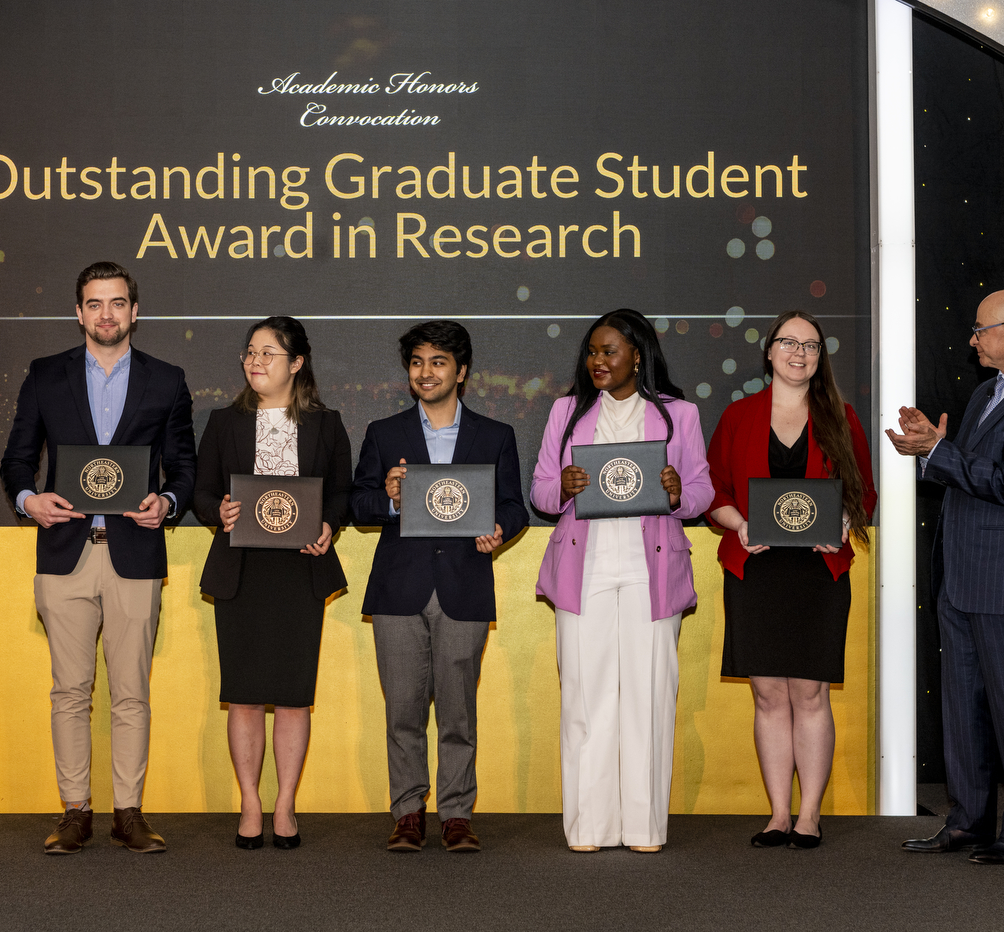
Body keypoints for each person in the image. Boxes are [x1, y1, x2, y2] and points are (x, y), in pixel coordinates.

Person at [0, 261, 196, 855]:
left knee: (132, 691)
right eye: (94, 303)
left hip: (136, 553)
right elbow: (15, 460)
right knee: (70, 690)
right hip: (65, 554)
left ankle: (129, 813)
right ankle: (75, 811)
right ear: (78, 312)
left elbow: (184, 468)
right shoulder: (44, 375)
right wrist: (29, 500)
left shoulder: (167, 380)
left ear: (135, 311)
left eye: (116, 303)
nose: (106, 314)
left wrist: (166, 501)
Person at [887, 287, 1004, 865]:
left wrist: (938, 449)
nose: (973, 340)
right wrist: (931, 447)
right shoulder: (985, 394)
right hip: (964, 574)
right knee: (961, 703)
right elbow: (971, 473)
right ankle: (968, 820)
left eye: (980, 330)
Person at [529, 309, 712, 853]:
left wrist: (679, 492)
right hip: (582, 573)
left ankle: (643, 828)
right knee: (584, 701)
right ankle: (589, 827)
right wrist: (562, 486)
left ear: (638, 354)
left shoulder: (680, 415)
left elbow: (702, 492)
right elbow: (539, 493)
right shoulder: (566, 412)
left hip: (649, 573)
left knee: (649, 699)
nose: (598, 361)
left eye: (609, 351)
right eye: (591, 352)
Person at [350, 321, 528, 854]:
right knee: (402, 708)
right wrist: (386, 497)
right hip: (399, 588)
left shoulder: (495, 436)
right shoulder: (385, 433)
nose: (426, 372)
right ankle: (407, 812)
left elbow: (514, 505)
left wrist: (500, 529)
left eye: (439, 362)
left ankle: (455, 814)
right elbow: (357, 505)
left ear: (462, 371)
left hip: (464, 586)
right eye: (418, 363)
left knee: (458, 712)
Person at [706, 309, 876, 850]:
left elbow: (863, 493)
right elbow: (713, 491)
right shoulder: (737, 416)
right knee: (766, 694)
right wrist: (741, 524)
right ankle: (777, 815)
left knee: (809, 693)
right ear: (770, 352)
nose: (799, 352)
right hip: (756, 567)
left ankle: (809, 815)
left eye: (810, 344)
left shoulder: (841, 417)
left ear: (820, 357)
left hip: (816, 570)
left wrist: (844, 523)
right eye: (788, 342)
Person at [194, 316, 350, 850]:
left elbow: (342, 494)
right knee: (242, 697)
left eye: (269, 352)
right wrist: (219, 509)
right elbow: (201, 492)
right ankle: (250, 802)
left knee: (290, 697)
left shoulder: (326, 424)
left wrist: (329, 525)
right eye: (250, 351)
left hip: (299, 570)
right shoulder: (223, 421)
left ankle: (285, 804)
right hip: (242, 570)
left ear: (297, 363)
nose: (255, 361)